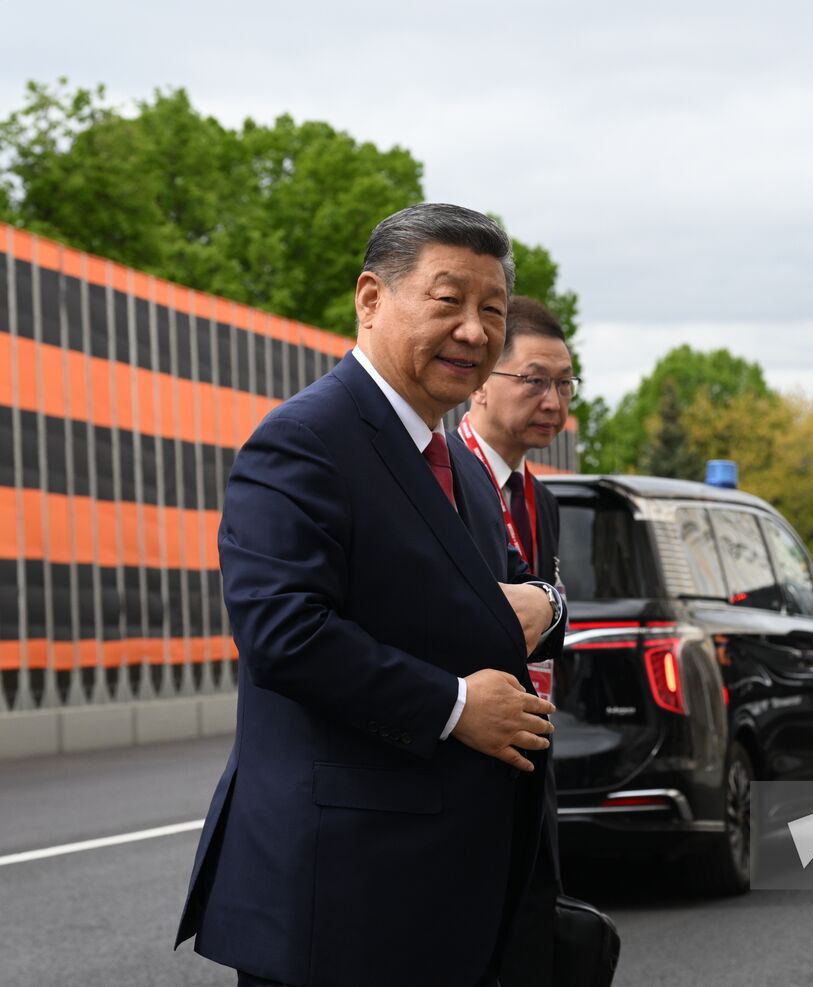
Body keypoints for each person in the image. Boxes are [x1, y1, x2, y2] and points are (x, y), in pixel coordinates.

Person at [176, 204, 565, 987]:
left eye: (492, 311)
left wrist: (547, 604)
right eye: (447, 300)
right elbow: (284, 631)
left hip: (455, 896)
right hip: (345, 898)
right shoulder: (305, 439)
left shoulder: (460, 468)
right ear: (371, 299)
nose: (473, 330)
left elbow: (487, 611)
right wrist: (453, 704)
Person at [450, 295, 576, 986]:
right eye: (533, 379)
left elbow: (547, 621)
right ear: (478, 382)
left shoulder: (542, 497)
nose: (552, 399)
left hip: (530, 762)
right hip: (463, 754)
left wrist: (550, 605)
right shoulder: (438, 479)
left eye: (563, 383)